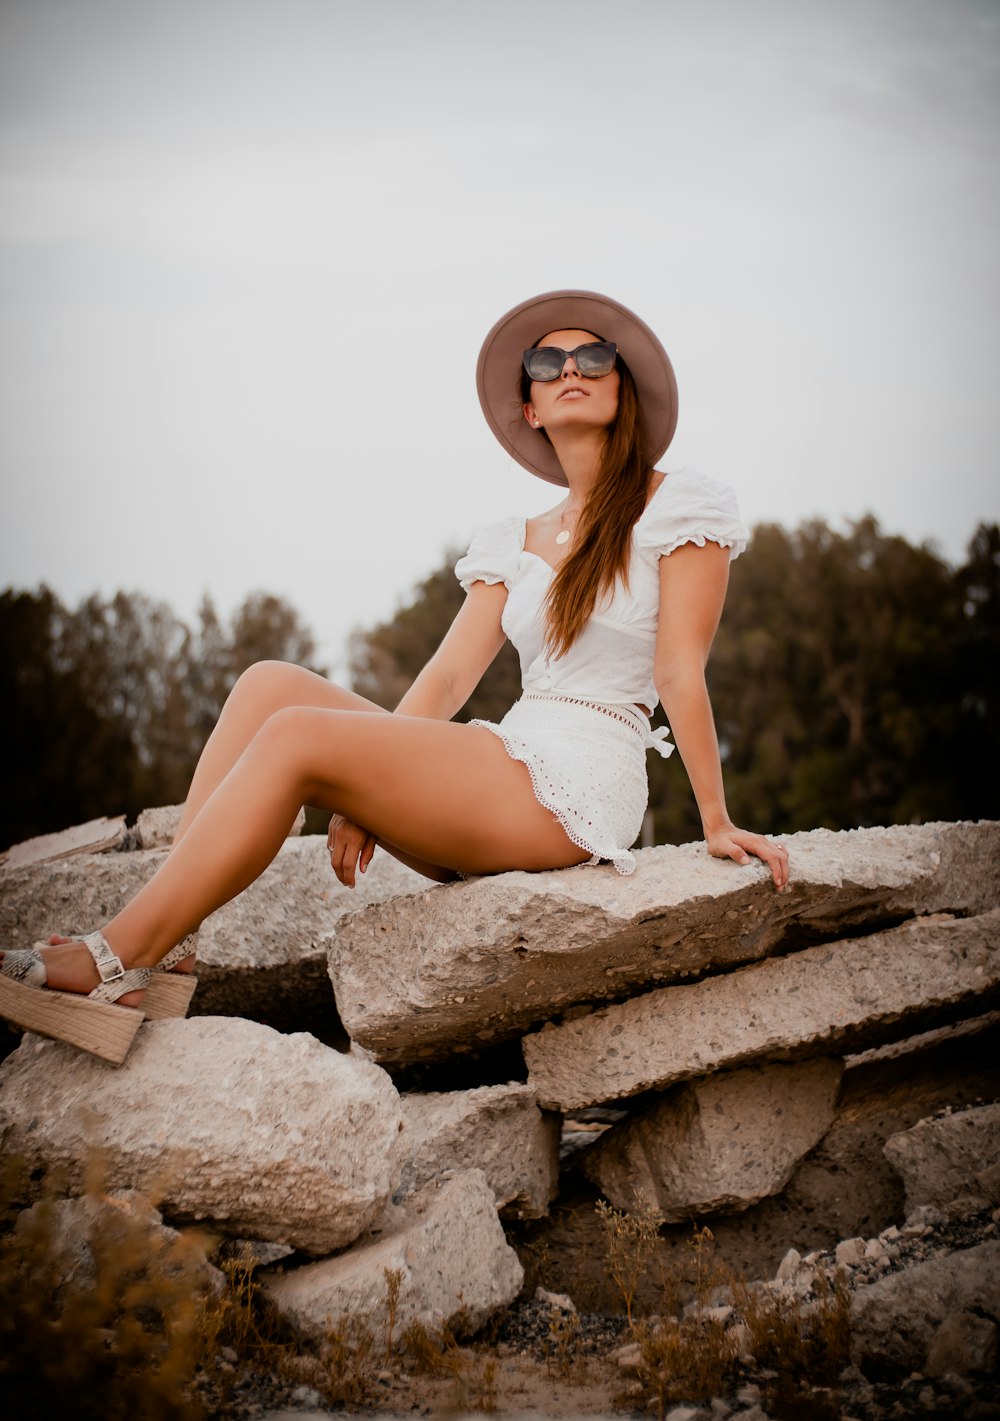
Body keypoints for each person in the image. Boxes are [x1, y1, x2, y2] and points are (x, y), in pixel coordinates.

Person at [0, 289, 789, 1065]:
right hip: (503, 765)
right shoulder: (514, 539)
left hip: (576, 788)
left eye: (593, 357)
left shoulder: (678, 507)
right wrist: (381, 775)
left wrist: (715, 820)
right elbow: (447, 679)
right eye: (547, 363)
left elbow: (680, 668)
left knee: (299, 736)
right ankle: (166, 951)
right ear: (532, 408)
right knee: (270, 686)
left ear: (623, 389)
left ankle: (112, 957)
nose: (570, 369)